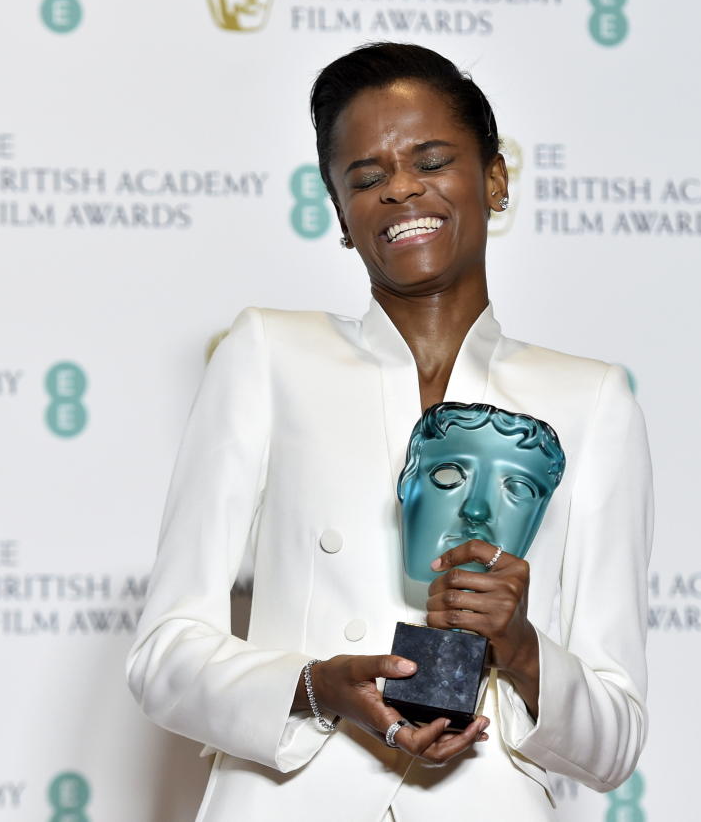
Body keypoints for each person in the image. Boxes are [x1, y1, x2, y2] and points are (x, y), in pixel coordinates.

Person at [126, 42, 653, 821]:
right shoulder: (268, 354)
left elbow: (616, 740)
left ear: (495, 178)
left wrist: (522, 646)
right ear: (340, 215)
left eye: (432, 160)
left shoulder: (593, 400)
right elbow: (162, 655)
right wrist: (313, 688)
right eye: (366, 178)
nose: (402, 188)